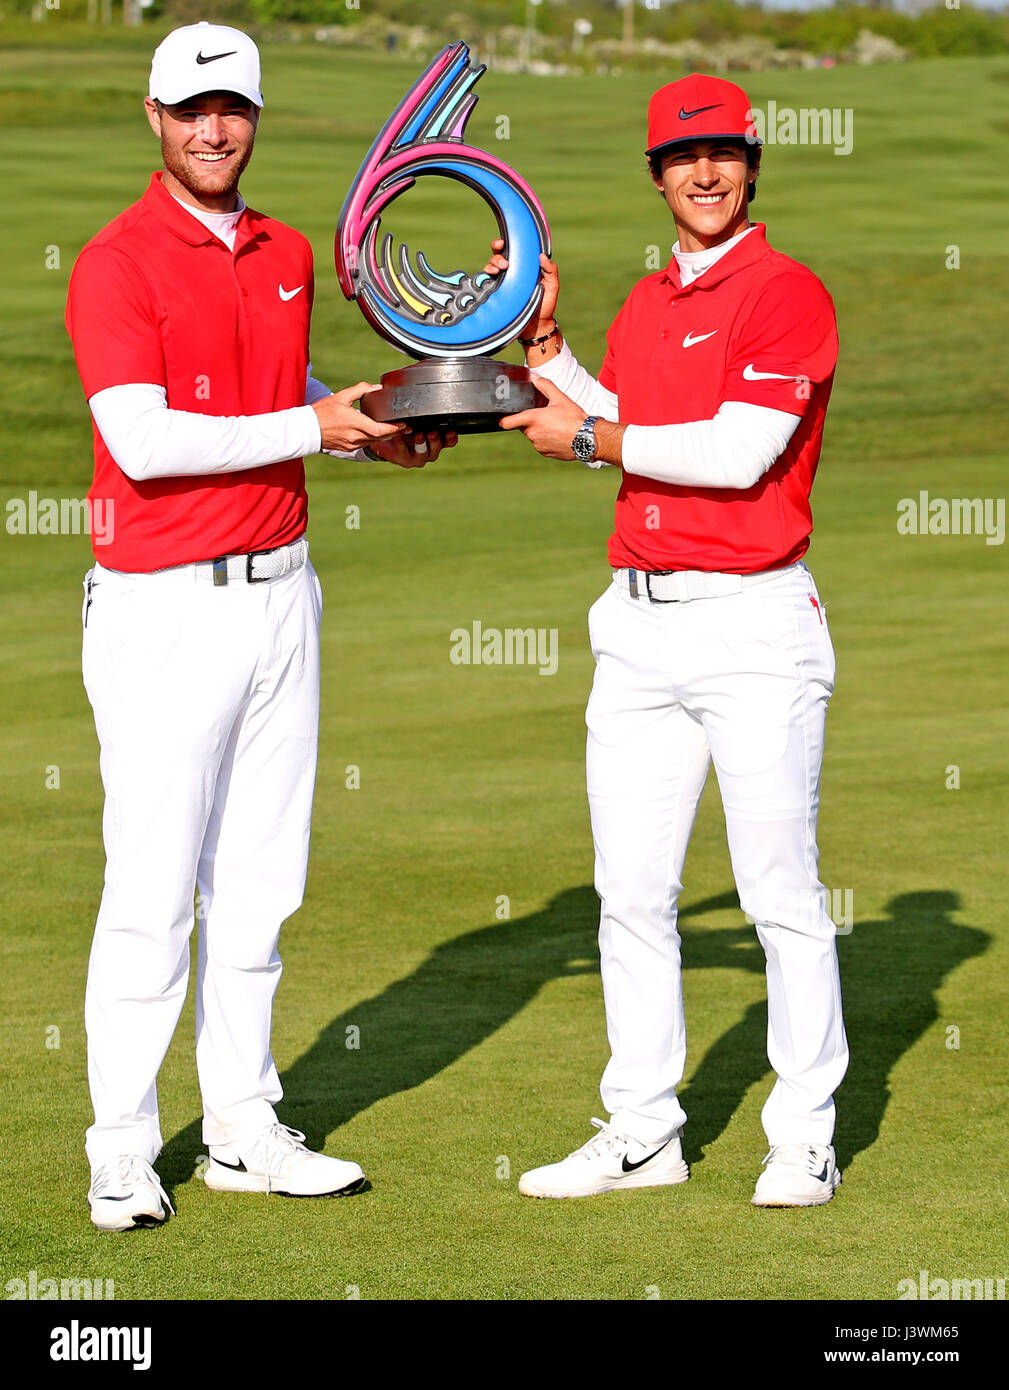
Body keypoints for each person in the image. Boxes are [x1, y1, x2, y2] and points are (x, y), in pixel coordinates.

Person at [65, 22, 455, 1231]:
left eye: (231, 107)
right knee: (150, 893)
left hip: (284, 592)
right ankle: (122, 1148)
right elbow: (146, 439)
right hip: (163, 607)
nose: (213, 129)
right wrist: (315, 429)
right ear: (154, 118)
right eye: (191, 111)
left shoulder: (285, 250)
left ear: (255, 114)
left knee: (257, 890)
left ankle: (240, 1126)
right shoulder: (116, 261)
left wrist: (378, 426)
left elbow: (275, 395)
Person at [498, 73, 848, 1206]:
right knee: (631, 893)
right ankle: (643, 1131)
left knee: (778, 892)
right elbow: (631, 420)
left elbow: (735, 452)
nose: (703, 172)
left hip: (752, 622)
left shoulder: (788, 290)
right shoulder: (651, 300)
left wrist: (592, 437)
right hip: (638, 631)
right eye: (680, 156)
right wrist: (549, 353)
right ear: (655, 174)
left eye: (723, 154)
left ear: (752, 165)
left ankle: (803, 1133)